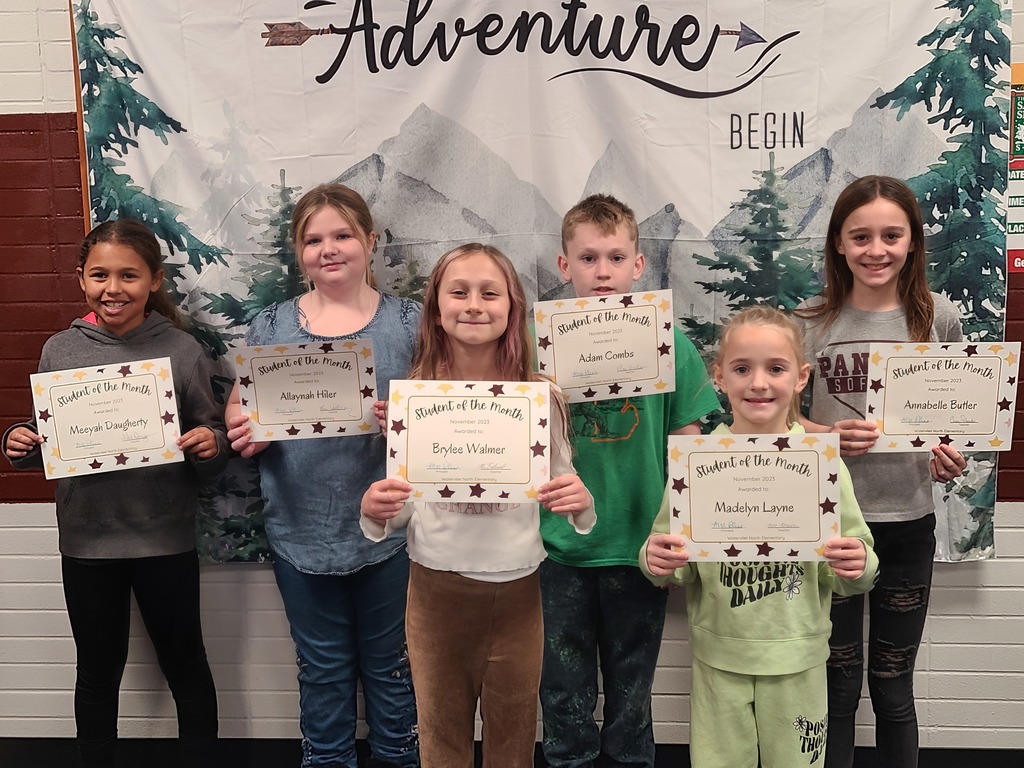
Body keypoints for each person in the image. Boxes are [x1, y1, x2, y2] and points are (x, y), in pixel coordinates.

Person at [360, 243, 595, 768]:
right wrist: (376, 511)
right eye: (458, 292)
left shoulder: (540, 396)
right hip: (435, 593)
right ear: (436, 309)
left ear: (512, 307)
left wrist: (580, 504)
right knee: (441, 741)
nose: (474, 304)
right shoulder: (415, 397)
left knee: (513, 743)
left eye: (490, 293)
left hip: (518, 594)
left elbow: (566, 484)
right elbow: (401, 507)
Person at [4, 219, 226, 767]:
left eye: (128, 275)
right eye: (99, 275)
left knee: (186, 663)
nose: (113, 288)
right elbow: (47, 438)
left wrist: (209, 442)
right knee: (97, 670)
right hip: (87, 543)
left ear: (153, 280)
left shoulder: (181, 349)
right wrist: (18, 441)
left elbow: (212, 434)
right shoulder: (59, 349)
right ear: (81, 279)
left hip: (164, 540)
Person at [225, 184, 420, 768]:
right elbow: (238, 408)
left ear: (370, 241)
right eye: (314, 240)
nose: (329, 249)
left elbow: (447, 411)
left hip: (393, 537)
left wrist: (410, 426)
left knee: (392, 667)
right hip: (301, 531)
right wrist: (245, 426)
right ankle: (328, 759)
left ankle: (399, 758)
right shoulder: (272, 325)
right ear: (297, 250)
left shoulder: (409, 323)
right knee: (322, 670)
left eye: (342, 236)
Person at [643, 305, 878, 768]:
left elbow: (858, 564)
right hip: (718, 657)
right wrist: (656, 560)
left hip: (799, 657)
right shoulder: (696, 463)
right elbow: (669, 558)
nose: (758, 383)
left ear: (801, 377)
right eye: (742, 368)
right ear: (719, 377)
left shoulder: (822, 464)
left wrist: (856, 565)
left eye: (775, 368)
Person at [538, 194, 721, 767]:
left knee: (633, 688)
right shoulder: (534, 347)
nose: (603, 271)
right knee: (562, 688)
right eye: (588, 258)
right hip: (557, 548)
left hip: (641, 546)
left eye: (616, 258)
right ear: (564, 265)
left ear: (638, 265)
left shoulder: (673, 344)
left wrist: (676, 533)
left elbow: (688, 443)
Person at [793, 175, 967, 768]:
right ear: (838, 244)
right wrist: (826, 437)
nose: (877, 249)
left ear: (913, 242)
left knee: (893, 691)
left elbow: (953, 422)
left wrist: (950, 456)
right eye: (860, 236)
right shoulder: (810, 322)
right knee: (836, 690)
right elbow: (769, 424)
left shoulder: (938, 319)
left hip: (908, 525)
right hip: (832, 527)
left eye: (892, 235)